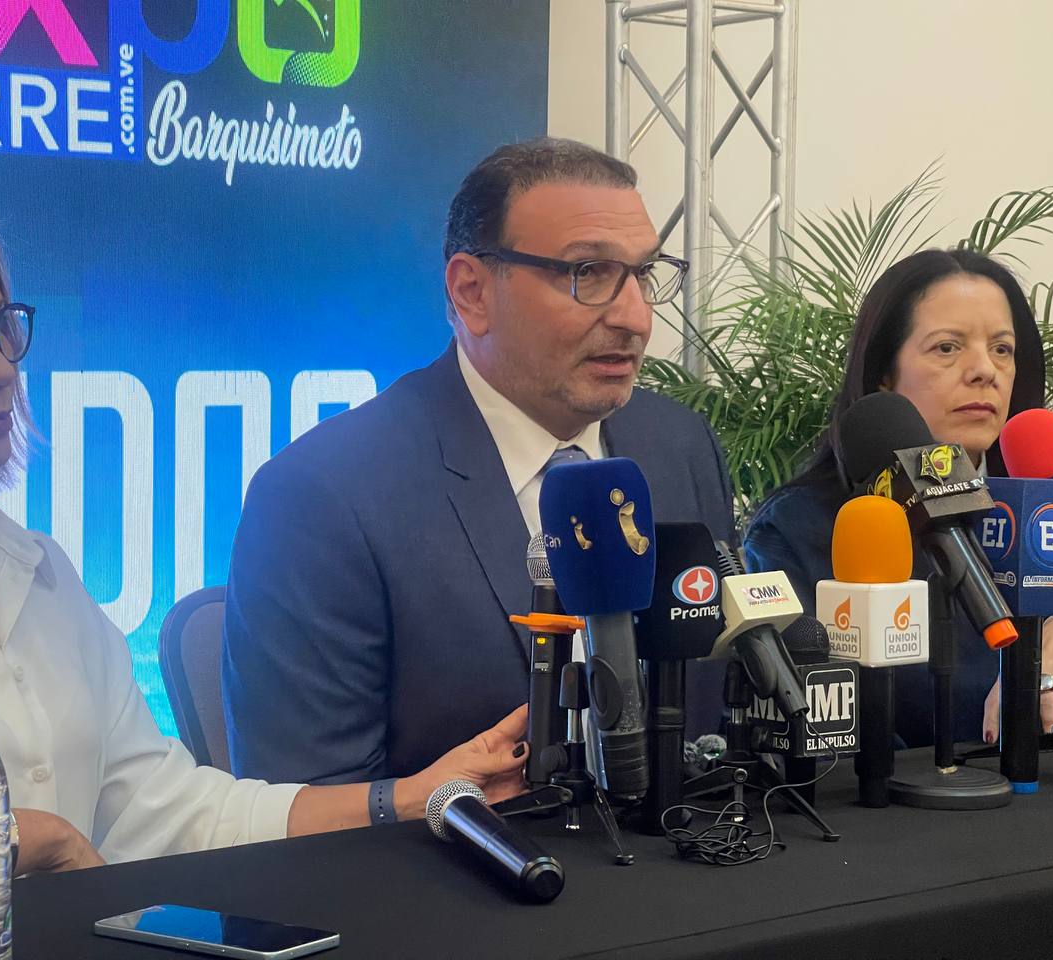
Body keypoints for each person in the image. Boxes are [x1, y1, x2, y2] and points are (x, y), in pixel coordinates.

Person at [0, 187, 529, 926]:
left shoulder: (41, 571)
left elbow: (167, 811)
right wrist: (36, 839)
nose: (0, 368)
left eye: (0, 328)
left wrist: (407, 800)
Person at [224, 137, 736, 788]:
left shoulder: (679, 445)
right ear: (472, 292)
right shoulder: (323, 497)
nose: (636, 317)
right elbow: (310, 810)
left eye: (644, 274)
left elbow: (712, 726)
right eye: (589, 273)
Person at [743, 247, 1053, 746]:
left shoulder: (1046, 509)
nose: (984, 370)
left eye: (1002, 349)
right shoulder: (798, 527)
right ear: (884, 375)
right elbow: (816, 731)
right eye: (947, 348)